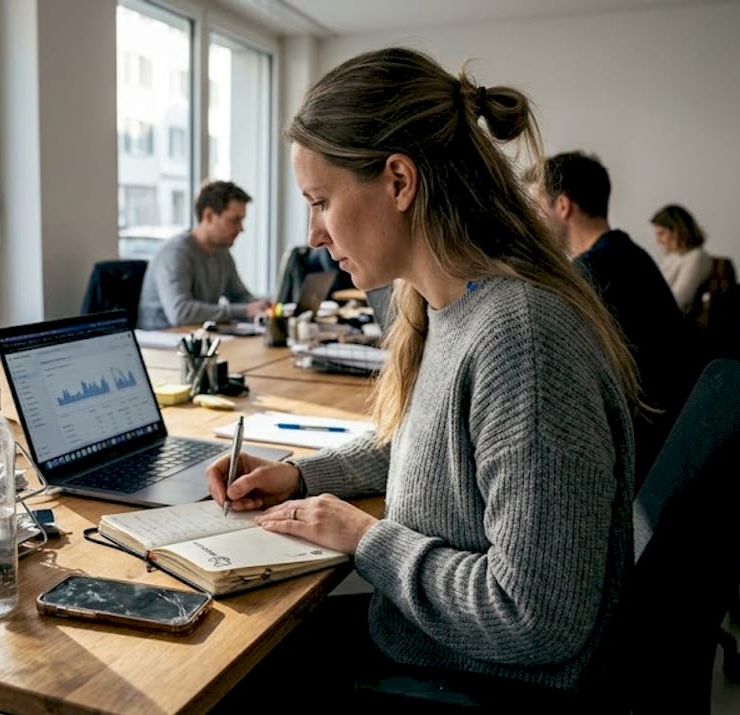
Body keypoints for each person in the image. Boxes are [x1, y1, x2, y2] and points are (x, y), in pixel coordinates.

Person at [206, 47, 638, 710]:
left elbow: (535, 617)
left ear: (400, 182)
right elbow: (430, 444)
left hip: (480, 680)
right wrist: (300, 476)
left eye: (321, 201)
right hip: (429, 646)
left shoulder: (521, 341)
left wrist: (364, 538)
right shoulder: (442, 304)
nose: (315, 233)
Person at [530, 151, 694, 482]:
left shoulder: (591, 274)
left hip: (637, 449)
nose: (530, 221)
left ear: (563, 206)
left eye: (535, 208)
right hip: (670, 438)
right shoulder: (628, 254)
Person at [136, 180, 272, 329]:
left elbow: (239, 296)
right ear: (208, 216)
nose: (241, 228)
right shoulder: (175, 253)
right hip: (161, 343)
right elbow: (180, 313)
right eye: (234, 220)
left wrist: (265, 307)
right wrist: (245, 311)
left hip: (197, 338)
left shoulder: (222, 253)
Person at [651, 204, 714, 315]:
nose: (658, 241)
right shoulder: (671, 258)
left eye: (661, 234)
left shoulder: (697, 257)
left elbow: (679, 301)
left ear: (677, 231)